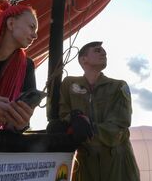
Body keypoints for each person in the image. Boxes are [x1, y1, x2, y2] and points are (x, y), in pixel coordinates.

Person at [59, 41, 140, 181]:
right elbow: (61, 114)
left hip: (118, 164)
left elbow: (119, 126)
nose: (104, 52)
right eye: (97, 50)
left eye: (104, 51)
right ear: (83, 59)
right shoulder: (69, 84)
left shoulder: (118, 86)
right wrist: (73, 119)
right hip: (85, 164)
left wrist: (87, 128)